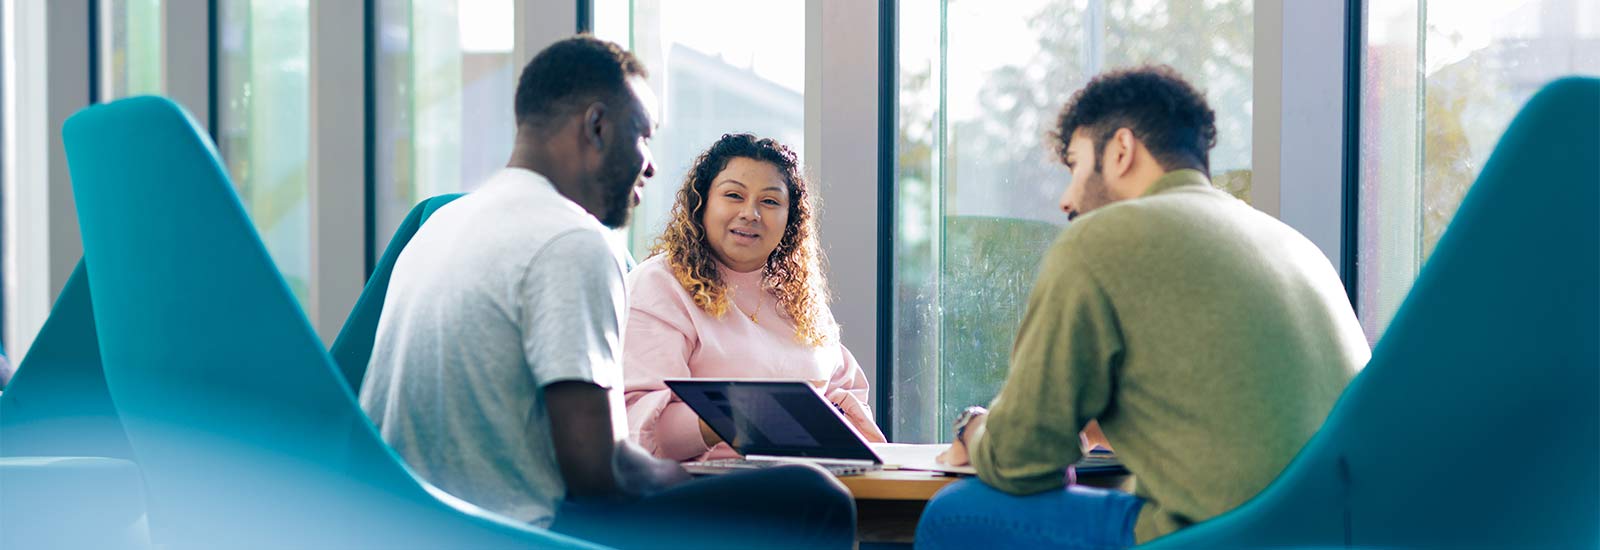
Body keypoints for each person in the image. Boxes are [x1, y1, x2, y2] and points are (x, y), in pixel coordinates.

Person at [359, 36, 854, 549]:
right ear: (598, 126)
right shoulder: (572, 240)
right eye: (644, 135)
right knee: (812, 496)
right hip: (513, 531)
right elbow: (599, 471)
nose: (652, 165)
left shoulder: (439, 223)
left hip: (404, 524)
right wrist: (698, 482)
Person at [916, 65, 1370, 549]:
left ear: (1120, 150)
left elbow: (1021, 461)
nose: (1067, 201)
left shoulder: (1103, 238)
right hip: (1345, 535)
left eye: (1074, 165)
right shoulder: (1292, 245)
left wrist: (976, 427)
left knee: (954, 514)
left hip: (1220, 539)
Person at [623, 133, 886, 462]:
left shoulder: (798, 296)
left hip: (815, 475)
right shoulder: (659, 286)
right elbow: (635, 430)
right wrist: (731, 419)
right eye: (734, 195)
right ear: (701, 203)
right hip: (703, 486)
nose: (751, 213)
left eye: (771, 201)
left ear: (790, 219)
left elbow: (845, 393)